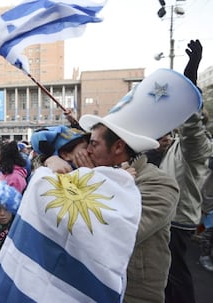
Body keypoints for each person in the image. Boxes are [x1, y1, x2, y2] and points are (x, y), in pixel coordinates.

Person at [79, 66, 203, 302]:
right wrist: (51, 158)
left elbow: (112, 233)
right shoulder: (96, 171)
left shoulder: (160, 185)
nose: (87, 151)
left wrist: (93, 181)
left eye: (93, 144)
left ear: (118, 148)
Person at [0, 125, 143, 302]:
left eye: (93, 145)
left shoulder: (126, 178)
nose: (89, 151)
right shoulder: (51, 179)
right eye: (85, 147)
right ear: (65, 155)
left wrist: (112, 183)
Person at [149, 40, 212, 303]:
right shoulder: (175, 146)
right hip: (170, 216)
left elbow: (191, 126)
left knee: (177, 276)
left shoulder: (197, 146)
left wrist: (190, 83)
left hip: (179, 218)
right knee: (168, 274)